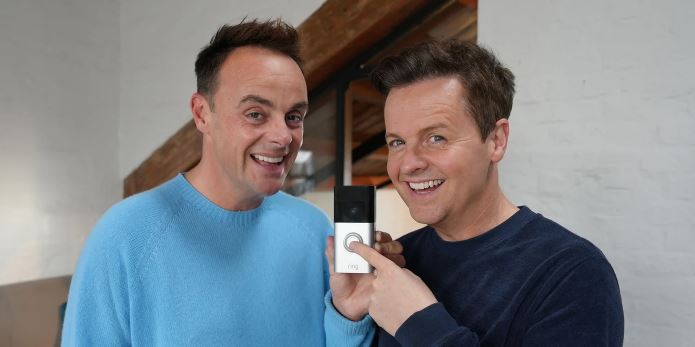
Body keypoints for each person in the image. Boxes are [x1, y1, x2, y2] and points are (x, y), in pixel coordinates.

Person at [61, 19, 401, 346]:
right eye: (256, 114)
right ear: (201, 114)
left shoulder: (313, 230)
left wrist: (349, 317)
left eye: (294, 116)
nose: (284, 137)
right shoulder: (125, 236)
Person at [347, 39, 624, 346]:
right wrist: (350, 315)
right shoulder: (398, 262)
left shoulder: (573, 273)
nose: (409, 164)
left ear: (496, 141)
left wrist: (420, 323)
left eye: (436, 138)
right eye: (397, 142)